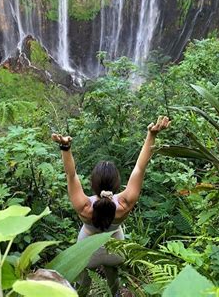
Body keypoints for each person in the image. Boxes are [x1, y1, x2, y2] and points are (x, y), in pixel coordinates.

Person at [52, 115, 171, 296]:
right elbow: (140, 167)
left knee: (82, 282)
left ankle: (81, 292)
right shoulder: (124, 203)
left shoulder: (84, 207)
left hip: (86, 252)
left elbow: (71, 175)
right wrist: (152, 134)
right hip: (116, 250)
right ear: (117, 183)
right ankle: (114, 292)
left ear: (93, 183)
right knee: (113, 277)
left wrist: (65, 147)